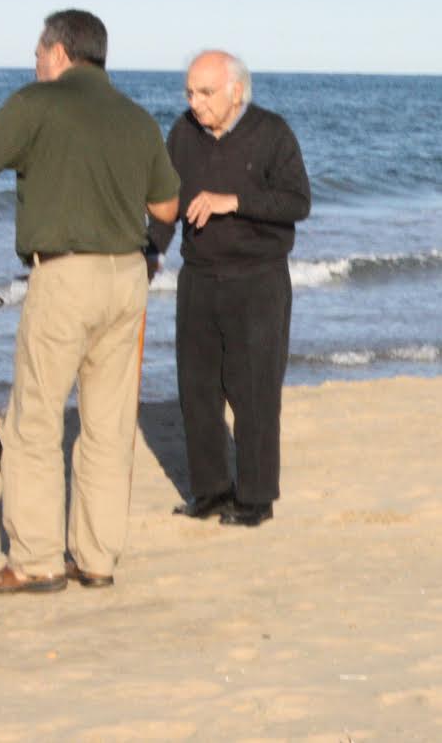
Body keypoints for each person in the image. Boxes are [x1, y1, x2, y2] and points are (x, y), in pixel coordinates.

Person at [0, 9, 180, 593]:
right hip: (128, 276)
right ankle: (98, 558)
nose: (33, 60)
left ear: (59, 52)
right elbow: (166, 210)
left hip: (65, 277)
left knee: (34, 421)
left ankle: (36, 560)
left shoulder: (37, 101)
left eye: (37, 51)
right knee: (107, 426)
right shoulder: (137, 118)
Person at [148, 50, 310, 528]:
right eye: (190, 92)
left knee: (255, 391)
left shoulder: (272, 133)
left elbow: (298, 201)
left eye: (204, 93)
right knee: (196, 389)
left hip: (258, 280)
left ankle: (256, 497)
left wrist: (233, 201)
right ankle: (211, 491)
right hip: (198, 278)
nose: (194, 103)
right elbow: (167, 200)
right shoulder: (182, 133)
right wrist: (153, 248)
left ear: (235, 91)